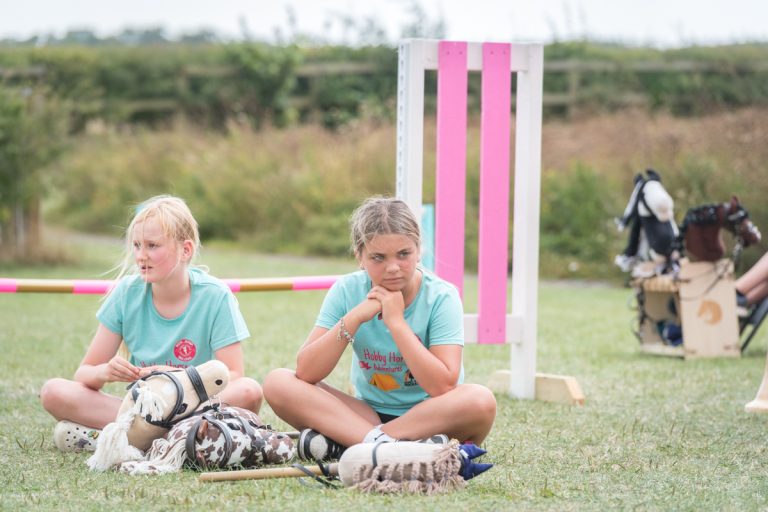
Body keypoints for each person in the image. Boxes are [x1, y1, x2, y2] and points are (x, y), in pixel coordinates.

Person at [263, 197, 496, 461]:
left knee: (480, 400)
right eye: (378, 257)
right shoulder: (347, 290)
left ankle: (358, 445)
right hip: (366, 415)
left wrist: (396, 322)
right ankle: (392, 447)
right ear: (360, 257)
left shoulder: (442, 296)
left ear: (419, 250)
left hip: (432, 415)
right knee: (278, 382)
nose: (393, 267)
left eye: (404, 254)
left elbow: (442, 387)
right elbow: (306, 372)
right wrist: (355, 317)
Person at [40, 195, 262, 452]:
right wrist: (105, 372)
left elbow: (234, 375)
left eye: (152, 246)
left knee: (249, 391)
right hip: (142, 410)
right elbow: (85, 373)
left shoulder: (216, 296)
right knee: (53, 392)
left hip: (194, 408)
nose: (140, 256)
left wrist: (180, 377)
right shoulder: (126, 293)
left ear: (186, 250)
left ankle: (123, 439)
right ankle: (177, 439)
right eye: (136, 245)